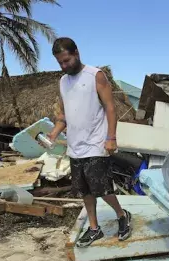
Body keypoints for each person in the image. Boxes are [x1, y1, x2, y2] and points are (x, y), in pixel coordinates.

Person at [47, 37, 131, 248]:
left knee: (102, 189)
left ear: (76, 52)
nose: (64, 66)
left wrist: (111, 137)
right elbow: (65, 114)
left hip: (96, 143)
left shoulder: (96, 75)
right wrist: (54, 133)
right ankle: (94, 229)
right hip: (75, 146)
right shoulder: (63, 82)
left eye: (67, 61)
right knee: (84, 192)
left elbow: (111, 107)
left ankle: (122, 215)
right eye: (60, 63)